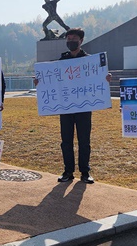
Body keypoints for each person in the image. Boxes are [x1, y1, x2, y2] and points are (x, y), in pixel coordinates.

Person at [40, 28, 112, 184]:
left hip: (84, 107)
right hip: (65, 107)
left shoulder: (89, 61)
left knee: (84, 140)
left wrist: (105, 78)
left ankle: (85, 172)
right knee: (66, 141)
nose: (70, 41)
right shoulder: (62, 61)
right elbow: (52, 79)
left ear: (81, 41)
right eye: (68, 38)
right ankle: (68, 171)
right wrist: (40, 82)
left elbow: (97, 79)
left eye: (74, 38)